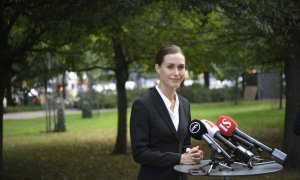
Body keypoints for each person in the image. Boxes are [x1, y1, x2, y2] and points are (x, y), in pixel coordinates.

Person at [130, 44, 204, 180]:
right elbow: (140, 153)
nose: (176, 72)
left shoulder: (185, 104)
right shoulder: (142, 105)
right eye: (170, 66)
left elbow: (184, 144)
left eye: (181, 67)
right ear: (158, 68)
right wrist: (179, 158)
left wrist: (191, 153)